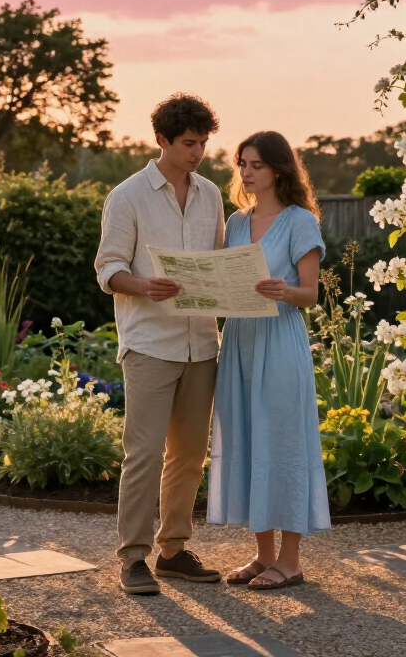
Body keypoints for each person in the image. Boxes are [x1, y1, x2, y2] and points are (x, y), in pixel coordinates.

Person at [94, 93, 226, 596]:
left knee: (190, 455)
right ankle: (132, 558)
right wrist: (144, 285)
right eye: (189, 143)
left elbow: (213, 262)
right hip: (150, 343)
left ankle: (173, 551)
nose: (197, 152)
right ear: (162, 141)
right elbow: (107, 268)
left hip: (201, 344)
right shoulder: (127, 196)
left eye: (203, 143)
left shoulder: (211, 194)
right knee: (144, 454)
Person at [208, 130, 331, 591]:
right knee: (246, 440)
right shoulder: (236, 223)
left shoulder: (301, 222)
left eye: (256, 164)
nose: (246, 172)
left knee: (283, 443)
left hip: (280, 341)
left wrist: (284, 291)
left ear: (278, 169)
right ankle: (262, 556)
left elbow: (311, 295)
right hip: (238, 339)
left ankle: (292, 561)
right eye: (241, 163)